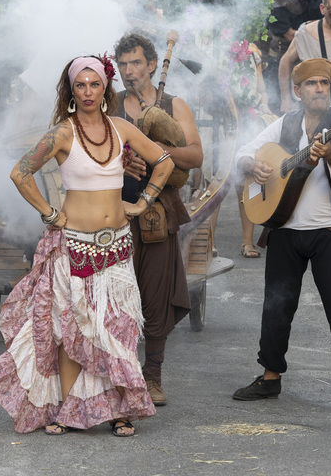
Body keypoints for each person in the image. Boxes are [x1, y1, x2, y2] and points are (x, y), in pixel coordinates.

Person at [0, 55, 173, 436]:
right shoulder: (62, 133)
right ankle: (67, 410)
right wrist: (49, 212)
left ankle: (122, 410)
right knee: (72, 329)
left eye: (94, 84)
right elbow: (19, 173)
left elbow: (165, 161)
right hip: (72, 245)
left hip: (117, 245)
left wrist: (144, 201)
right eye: (80, 85)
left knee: (117, 327)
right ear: (71, 92)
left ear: (105, 89)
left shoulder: (121, 128)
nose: (88, 92)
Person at [230, 58, 331, 416]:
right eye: (311, 84)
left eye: (324, 83)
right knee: (276, 306)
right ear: (298, 91)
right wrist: (252, 166)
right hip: (285, 230)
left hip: (328, 232)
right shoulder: (285, 123)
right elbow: (245, 151)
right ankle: (269, 377)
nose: (319, 89)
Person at [113, 33, 203, 405]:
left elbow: (195, 155)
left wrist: (155, 152)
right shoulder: (109, 104)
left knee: (156, 294)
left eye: (136, 63)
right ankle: (121, 374)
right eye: (123, 64)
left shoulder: (173, 105)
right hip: (113, 211)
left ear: (152, 64)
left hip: (156, 214)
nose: (129, 71)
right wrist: (122, 159)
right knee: (114, 295)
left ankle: (152, 377)